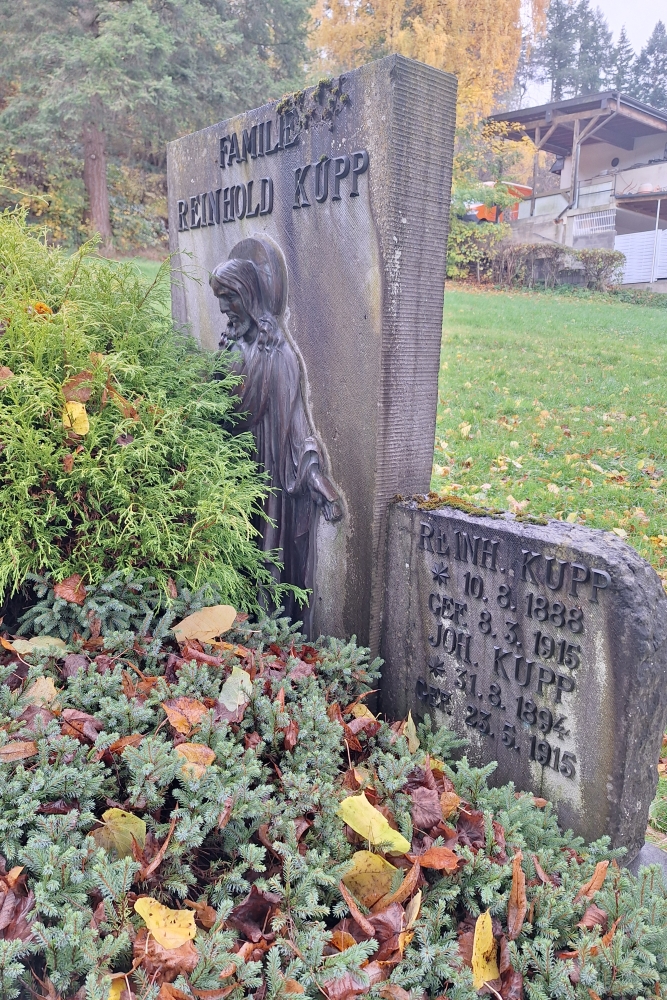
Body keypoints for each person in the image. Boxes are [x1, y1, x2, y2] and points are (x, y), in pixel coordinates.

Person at [210, 239, 341, 624]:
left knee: (266, 556)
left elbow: (296, 423)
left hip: (269, 472)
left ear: (250, 296)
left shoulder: (279, 355)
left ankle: (270, 632)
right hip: (234, 472)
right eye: (220, 299)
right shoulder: (231, 345)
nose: (223, 309)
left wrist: (317, 480)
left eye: (230, 299)